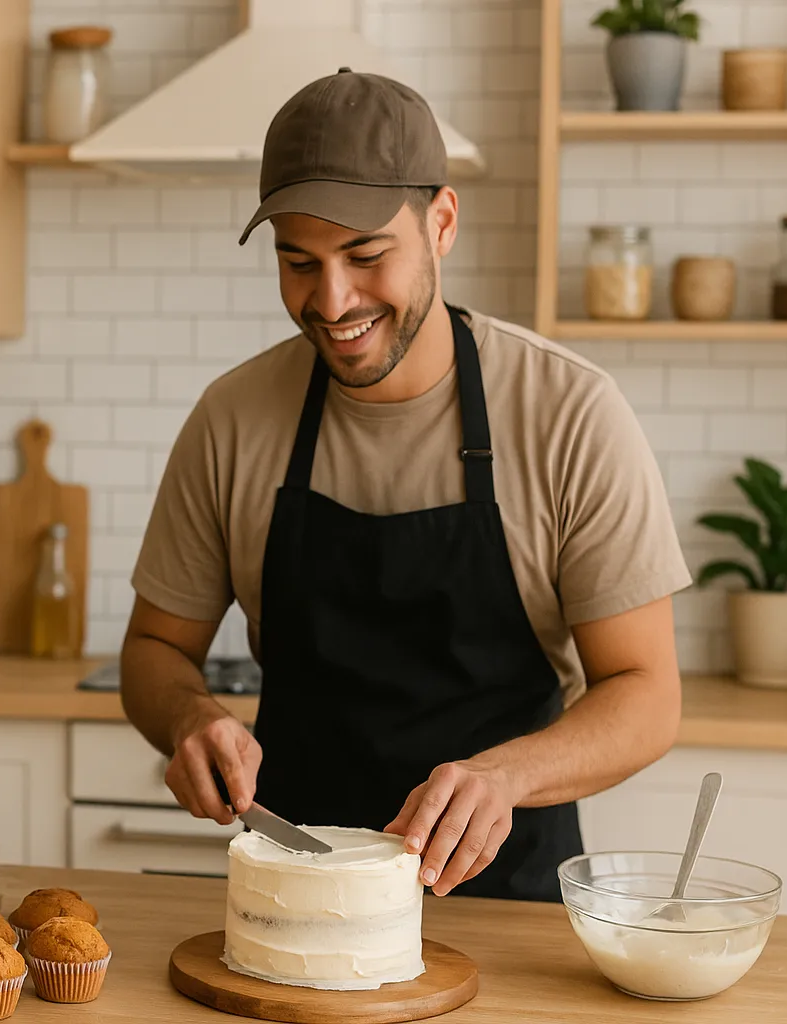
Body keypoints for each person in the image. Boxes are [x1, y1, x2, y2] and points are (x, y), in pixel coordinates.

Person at [120, 69, 689, 904]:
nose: (332, 300)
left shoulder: (569, 414)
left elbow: (648, 695)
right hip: (297, 902)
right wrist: (189, 718)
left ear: (442, 223)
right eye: (298, 262)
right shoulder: (232, 419)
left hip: (508, 905)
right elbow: (153, 649)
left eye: (366, 255)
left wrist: (505, 776)